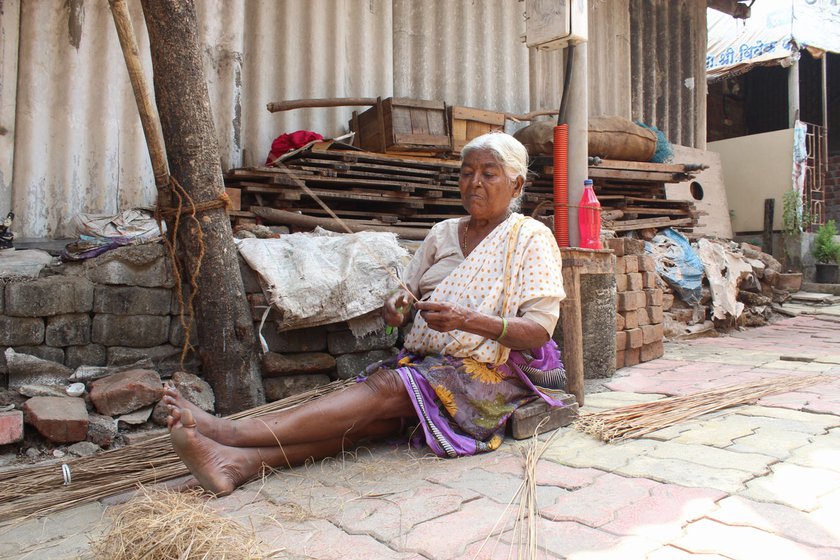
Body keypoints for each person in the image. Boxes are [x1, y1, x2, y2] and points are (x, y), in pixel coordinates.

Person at [164, 132, 567, 495]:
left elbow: (537, 331)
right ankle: (236, 464)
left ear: (516, 184)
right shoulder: (443, 232)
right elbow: (406, 296)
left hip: (493, 372)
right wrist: (398, 308)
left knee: (385, 389)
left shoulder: (530, 238)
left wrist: (466, 320)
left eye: (489, 174)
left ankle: (229, 430)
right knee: (375, 420)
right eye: (467, 173)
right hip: (434, 362)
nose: (474, 183)